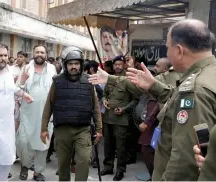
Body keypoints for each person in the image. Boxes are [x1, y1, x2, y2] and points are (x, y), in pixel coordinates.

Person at [88, 19, 216, 181]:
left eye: (167, 48)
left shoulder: (194, 89)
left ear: (178, 50)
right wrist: (154, 86)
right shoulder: (208, 74)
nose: (167, 53)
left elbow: (184, 159)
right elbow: (174, 98)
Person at [41, 46, 102, 181]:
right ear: (65, 65)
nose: (73, 66)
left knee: (84, 161)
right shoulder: (57, 82)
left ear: (80, 65)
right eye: (70, 64)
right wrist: (44, 128)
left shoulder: (89, 81)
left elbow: (95, 107)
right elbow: (48, 106)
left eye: (76, 63)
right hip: (62, 130)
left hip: (83, 130)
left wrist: (99, 129)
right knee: (63, 164)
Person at [0, 42, 33, 181]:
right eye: (0, 55)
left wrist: (23, 94)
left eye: (6, 55)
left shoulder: (9, 71)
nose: (4, 58)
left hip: (6, 127)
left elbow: (12, 88)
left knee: (5, 160)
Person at [16, 45, 57, 181]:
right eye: (37, 52)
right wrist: (22, 80)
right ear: (33, 54)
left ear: (46, 54)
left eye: (42, 52)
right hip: (27, 114)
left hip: (46, 115)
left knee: (43, 145)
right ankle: (25, 166)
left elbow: (56, 89)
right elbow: (15, 90)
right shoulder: (26, 68)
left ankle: (38, 172)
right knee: (23, 142)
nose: (40, 54)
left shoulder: (52, 69)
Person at [101, 55, 137, 181]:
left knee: (120, 147)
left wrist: (124, 109)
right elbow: (104, 94)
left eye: (120, 64)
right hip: (108, 118)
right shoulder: (109, 78)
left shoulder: (129, 79)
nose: (117, 66)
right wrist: (104, 100)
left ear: (124, 65)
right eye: (115, 64)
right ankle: (108, 167)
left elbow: (135, 99)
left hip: (121, 120)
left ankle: (120, 170)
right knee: (108, 144)